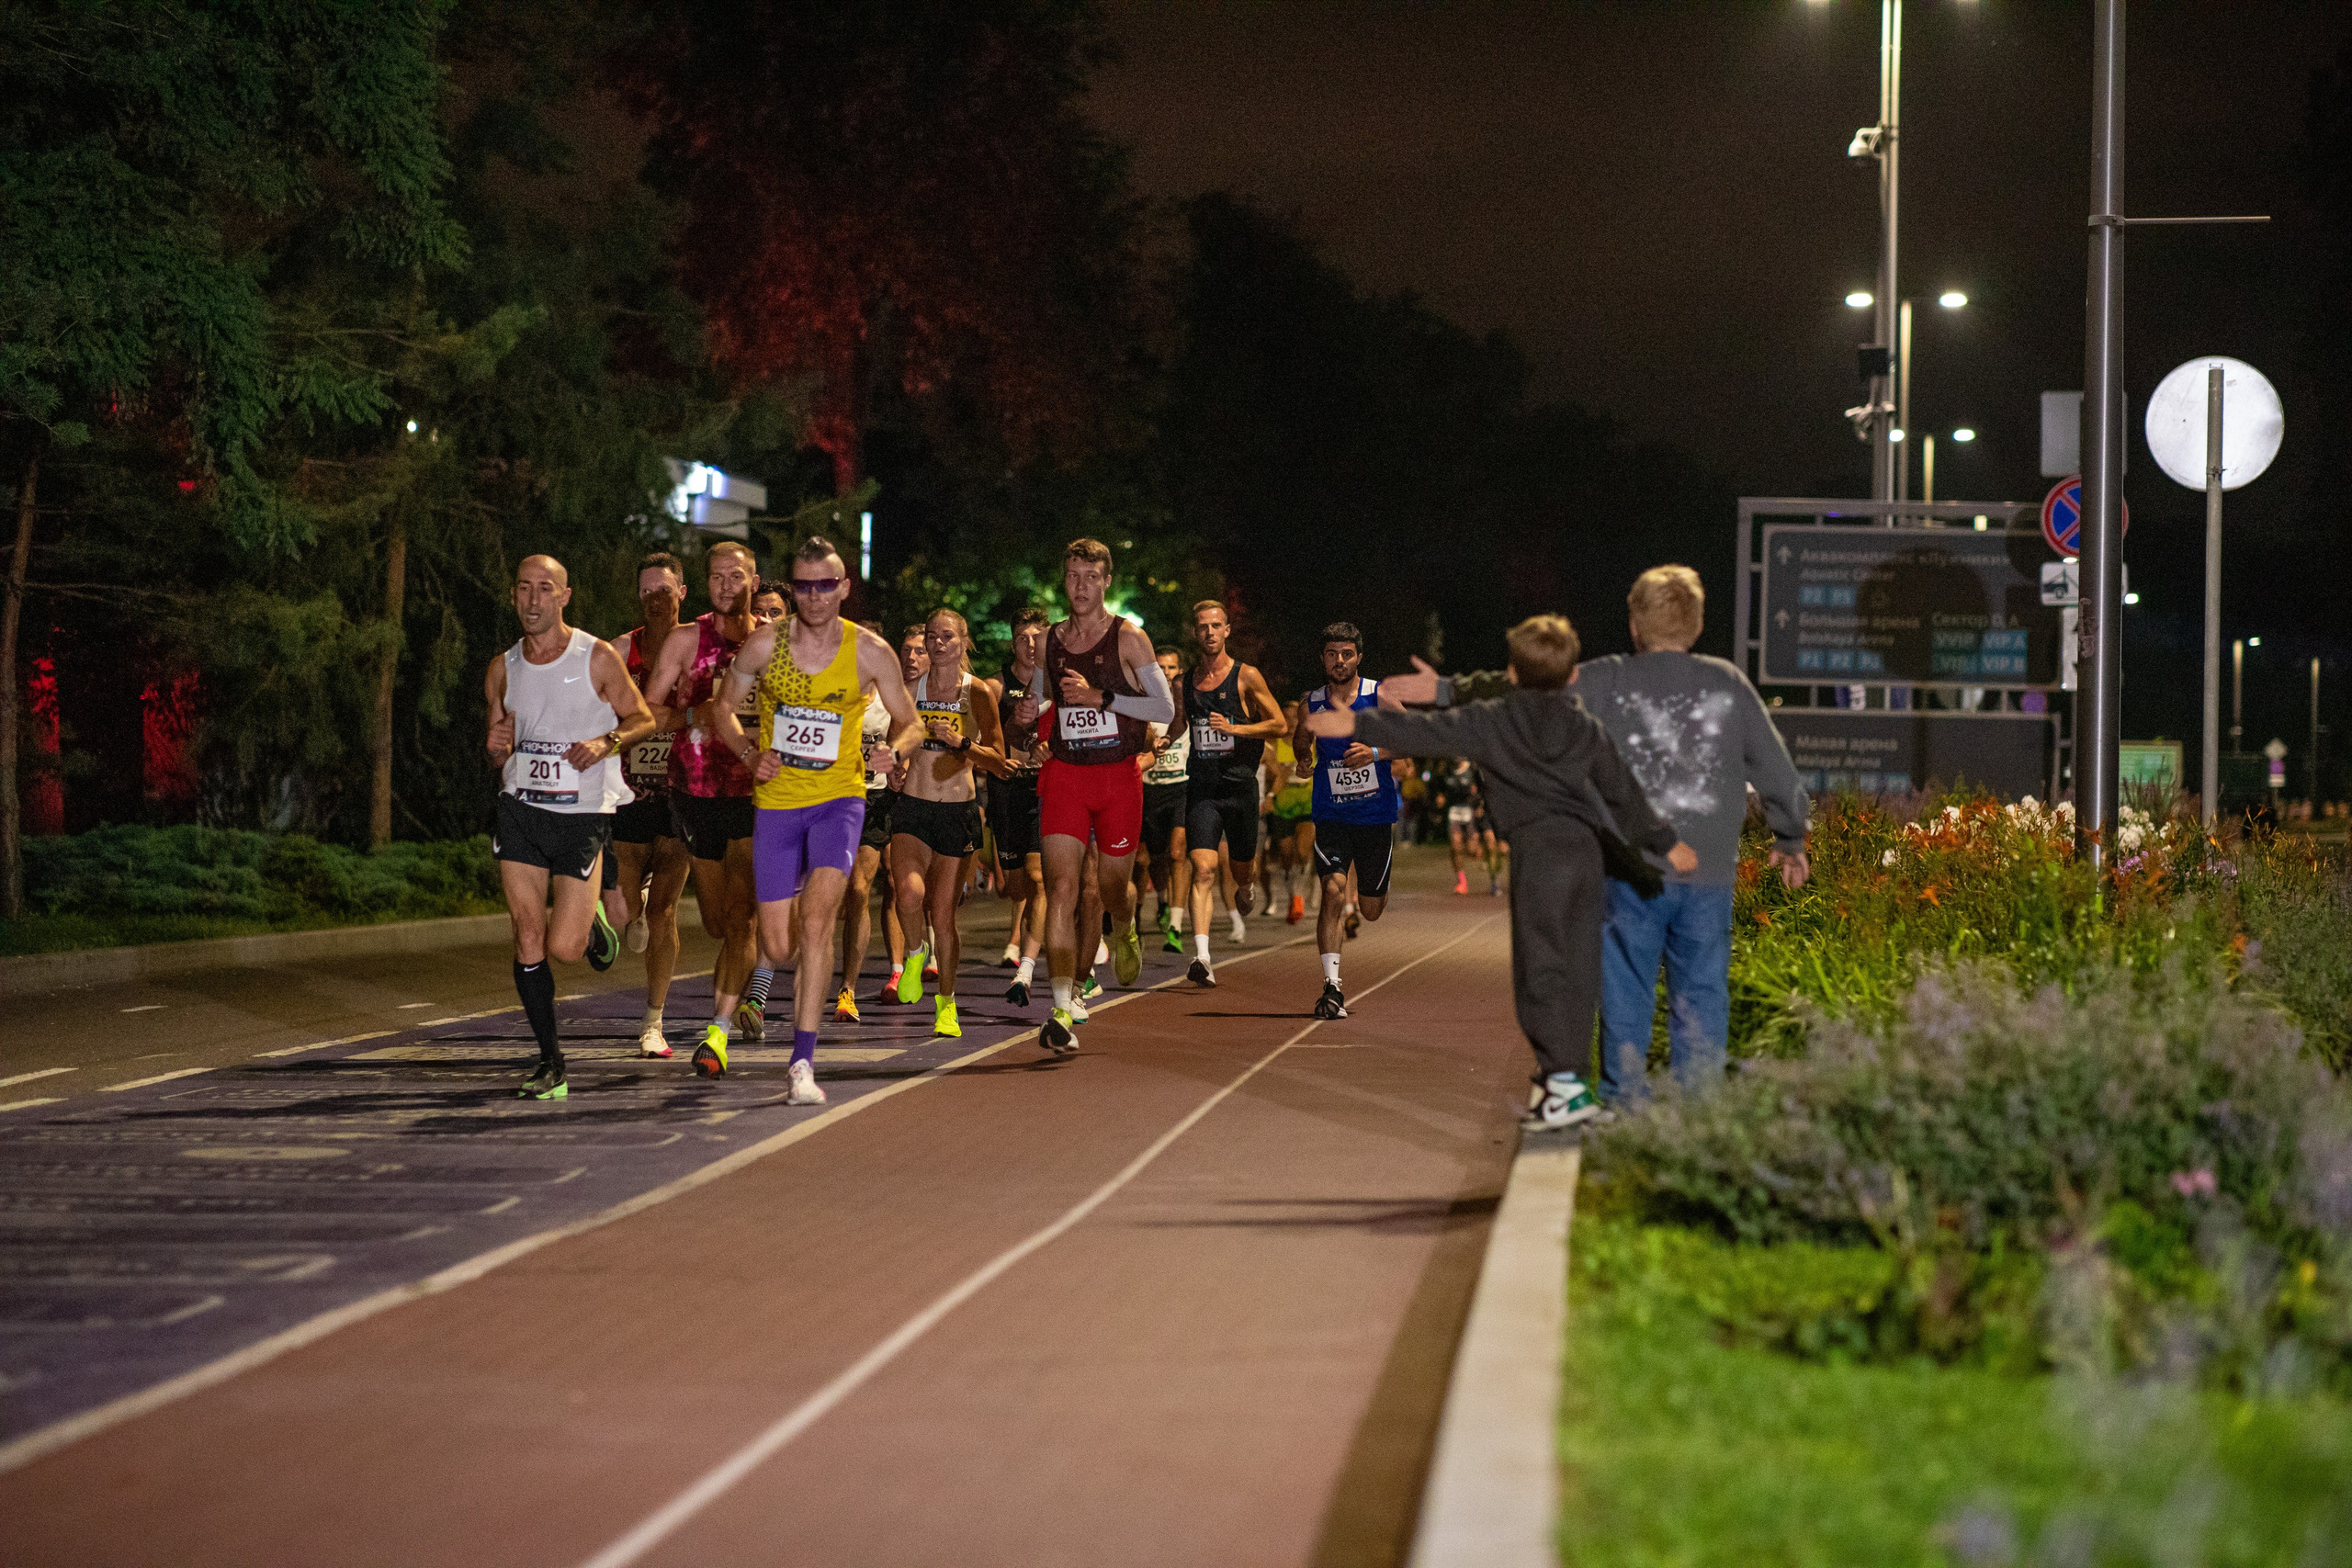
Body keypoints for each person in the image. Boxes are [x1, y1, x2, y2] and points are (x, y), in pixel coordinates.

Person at [1316, 614, 1696, 1130]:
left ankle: (1559, 1085)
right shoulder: (1583, 724)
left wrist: (1358, 723)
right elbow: (1621, 788)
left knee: (1539, 971)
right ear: (1573, 677)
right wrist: (1666, 844)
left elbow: (1430, 731)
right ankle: (1568, 1084)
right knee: (1581, 969)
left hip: (1539, 859)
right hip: (1586, 858)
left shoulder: (1495, 719)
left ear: (1512, 675)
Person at [1566, 566, 1810, 1102]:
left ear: (1634, 625)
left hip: (1629, 871)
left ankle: (1624, 1107)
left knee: (1626, 988)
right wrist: (1789, 838)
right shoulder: (1728, 683)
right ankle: (1699, 1121)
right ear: (1697, 626)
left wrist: (1442, 692)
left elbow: (1530, 704)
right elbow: (1775, 768)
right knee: (1701, 995)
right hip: (1708, 872)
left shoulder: (1605, 679)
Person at [706, 536, 921, 1102]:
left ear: (844, 587)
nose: (815, 596)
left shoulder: (869, 651)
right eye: (803, 585)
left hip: (839, 803)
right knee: (779, 948)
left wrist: (893, 752)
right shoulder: (764, 645)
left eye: (826, 585)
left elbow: (913, 721)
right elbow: (721, 709)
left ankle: (802, 1063)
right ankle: (783, 971)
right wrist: (751, 754)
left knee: (820, 923)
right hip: (778, 804)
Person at [483, 555, 655, 1100]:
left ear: (565, 596)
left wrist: (606, 743)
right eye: (525, 588)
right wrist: (495, 749)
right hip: (521, 810)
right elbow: (499, 747)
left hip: (580, 815)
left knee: (564, 947)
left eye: (545, 589)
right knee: (527, 935)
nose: (534, 600)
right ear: (514, 596)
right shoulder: (502, 669)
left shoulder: (596, 656)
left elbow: (642, 717)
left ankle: (596, 917)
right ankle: (550, 1061)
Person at [1013, 538, 1176, 1054]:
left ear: (1107, 581)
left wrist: (1101, 697)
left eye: (1089, 576)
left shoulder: (1130, 639)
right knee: (1062, 888)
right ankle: (1061, 1004)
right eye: (1072, 576)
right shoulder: (1051, 641)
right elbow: (1041, 698)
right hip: (1065, 774)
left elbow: (1165, 708)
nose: (1079, 586)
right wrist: (1029, 714)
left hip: (1117, 778)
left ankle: (1125, 925)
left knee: (1109, 890)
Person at [642, 541, 767, 1053]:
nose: (724, 585)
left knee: (742, 919)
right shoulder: (685, 641)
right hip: (695, 791)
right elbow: (646, 714)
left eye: (735, 576)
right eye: (716, 576)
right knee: (716, 921)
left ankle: (717, 1032)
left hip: (760, 793)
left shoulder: (775, 643)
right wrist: (697, 714)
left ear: (754, 583)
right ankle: (729, 999)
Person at [886, 608, 1008, 1038]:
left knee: (943, 915)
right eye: (932, 637)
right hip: (913, 807)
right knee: (908, 894)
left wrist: (963, 744)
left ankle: (947, 1004)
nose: (938, 645)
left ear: (964, 642)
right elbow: (893, 742)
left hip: (957, 812)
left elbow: (1001, 761)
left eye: (947, 637)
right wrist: (895, 765)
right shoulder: (909, 688)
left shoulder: (977, 694)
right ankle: (915, 952)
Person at [608, 552, 696, 1057]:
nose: (655, 599)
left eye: (664, 590)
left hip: (681, 793)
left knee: (664, 911)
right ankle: (632, 900)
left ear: (681, 593)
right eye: (646, 591)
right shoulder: (622, 650)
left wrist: (677, 719)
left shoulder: (696, 650)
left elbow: (714, 709)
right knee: (629, 908)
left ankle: (653, 1022)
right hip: (629, 793)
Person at [1180, 600, 1286, 987]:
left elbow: (1279, 723)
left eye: (1216, 626)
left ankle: (1246, 884)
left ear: (1227, 631)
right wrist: (1150, 747)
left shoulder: (1246, 676)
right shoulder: (1186, 683)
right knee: (1204, 868)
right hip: (1203, 788)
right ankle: (1203, 957)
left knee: (1241, 872)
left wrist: (1237, 730)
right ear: (1195, 632)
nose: (1209, 632)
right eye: (1202, 626)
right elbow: (1178, 724)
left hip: (1240, 788)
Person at [1295, 622, 1399, 1020]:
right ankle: (1332, 988)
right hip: (1332, 814)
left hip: (1374, 817)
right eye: (1331, 654)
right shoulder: (1312, 702)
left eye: (1346, 654)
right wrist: (1304, 755)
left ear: (1358, 657)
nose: (1339, 661)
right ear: (1323, 658)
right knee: (1334, 892)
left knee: (1371, 909)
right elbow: (1300, 739)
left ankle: (1366, 908)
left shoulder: (1379, 695)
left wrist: (1374, 753)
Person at [832, 623, 896, 1023]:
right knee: (825, 894)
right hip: (833, 798)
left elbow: (910, 728)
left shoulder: (889, 696)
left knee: (859, 889)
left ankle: (847, 989)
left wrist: (896, 753)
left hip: (874, 798)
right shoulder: (832, 691)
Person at [990, 607, 1050, 1005]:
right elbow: (985, 737)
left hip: (1045, 789)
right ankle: (1044, 929)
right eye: (1023, 638)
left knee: (1039, 877)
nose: (1030, 646)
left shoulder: (1059, 684)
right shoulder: (994, 686)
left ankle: (1026, 970)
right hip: (1007, 791)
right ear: (1013, 643)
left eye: (1037, 638)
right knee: (1014, 888)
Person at [1138, 645, 1193, 955]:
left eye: (1171, 668)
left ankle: (1175, 926)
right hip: (1148, 788)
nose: (1166, 673)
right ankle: (1161, 900)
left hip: (1181, 787)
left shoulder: (1189, 705)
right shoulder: (1144, 706)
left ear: (1179, 672)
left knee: (1177, 853)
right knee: (1151, 859)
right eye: (1160, 668)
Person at [1434, 759, 1484, 894]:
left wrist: (1480, 804)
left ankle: (1479, 846)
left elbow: (1483, 788)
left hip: (1469, 810)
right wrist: (1440, 800)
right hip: (1454, 811)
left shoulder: (1473, 769)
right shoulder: (1445, 770)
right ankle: (1462, 882)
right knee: (1456, 846)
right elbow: (1439, 789)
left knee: (1472, 851)